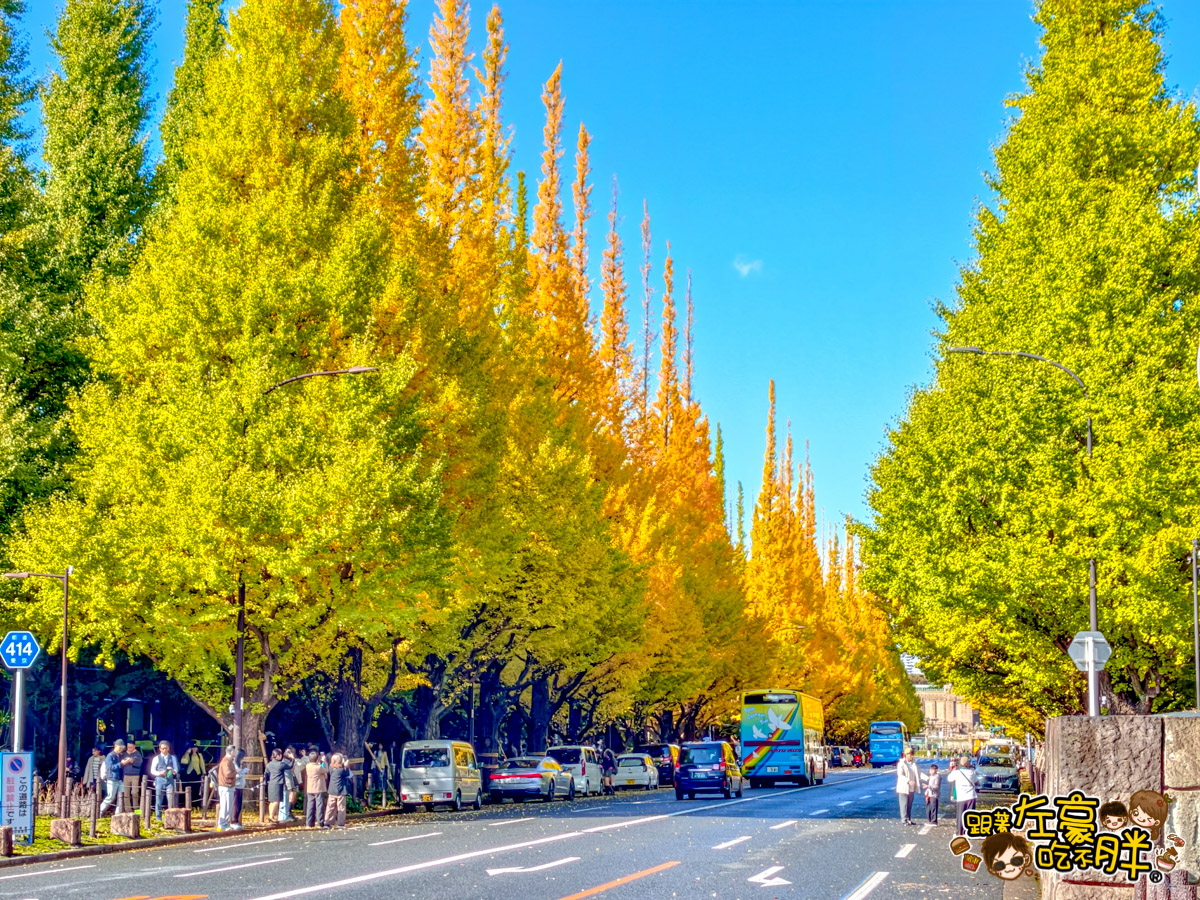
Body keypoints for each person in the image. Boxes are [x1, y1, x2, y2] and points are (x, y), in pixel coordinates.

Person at [150, 740, 181, 820]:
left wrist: (173, 771)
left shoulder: (173, 758)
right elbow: (152, 770)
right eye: (163, 748)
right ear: (160, 749)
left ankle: (170, 818)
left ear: (168, 748)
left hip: (170, 780)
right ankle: (158, 818)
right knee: (159, 799)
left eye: (166, 748)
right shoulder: (156, 758)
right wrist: (159, 773)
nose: (164, 750)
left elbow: (176, 769)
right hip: (160, 780)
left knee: (170, 799)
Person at [948, 755, 977, 836]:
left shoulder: (956, 772)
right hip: (971, 796)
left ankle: (960, 832)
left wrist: (953, 770)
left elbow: (949, 779)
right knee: (970, 815)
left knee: (961, 815)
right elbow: (975, 781)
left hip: (961, 797)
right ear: (968, 764)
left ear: (960, 763)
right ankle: (969, 832)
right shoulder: (972, 772)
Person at [98, 739, 126, 815]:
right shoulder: (110, 756)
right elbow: (110, 767)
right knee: (110, 797)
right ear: (115, 746)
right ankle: (99, 812)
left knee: (120, 797)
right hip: (112, 779)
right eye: (120, 748)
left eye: (122, 748)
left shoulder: (119, 756)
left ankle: (118, 814)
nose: (121, 749)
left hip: (120, 779)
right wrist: (121, 764)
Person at [324, 753, 353, 828]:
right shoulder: (341, 770)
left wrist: (323, 761)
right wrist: (346, 765)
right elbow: (349, 774)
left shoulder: (331, 768)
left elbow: (324, 766)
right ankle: (340, 823)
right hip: (340, 791)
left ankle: (327, 822)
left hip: (332, 790)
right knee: (341, 808)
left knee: (330, 807)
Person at [216, 745, 240, 831]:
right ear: (230, 752)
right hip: (225, 786)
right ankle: (222, 824)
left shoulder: (229, 761)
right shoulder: (226, 761)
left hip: (228, 786)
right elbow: (227, 774)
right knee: (225, 805)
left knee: (228, 805)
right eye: (234, 751)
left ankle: (225, 823)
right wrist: (236, 772)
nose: (235, 753)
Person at [895, 747, 920, 826]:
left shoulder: (913, 764)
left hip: (911, 788)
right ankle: (904, 819)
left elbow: (919, 773)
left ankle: (909, 819)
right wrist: (908, 781)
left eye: (912, 754)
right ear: (906, 755)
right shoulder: (901, 764)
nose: (912, 756)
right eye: (910, 754)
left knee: (909, 805)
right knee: (904, 804)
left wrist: (928, 778)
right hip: (903, 788)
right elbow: (900, 775)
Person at [304, 750, 328, 828]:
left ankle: (309, 823)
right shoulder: (318, 767)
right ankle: (320, 822)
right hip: (318, 788)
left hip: (310, 788)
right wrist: (324, 761)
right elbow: (325, 769)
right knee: (319, 805)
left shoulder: (308, 766)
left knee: (310, 805)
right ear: (317, 758)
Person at [265, 748, 289, 823]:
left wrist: (267, 781)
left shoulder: (269, 764)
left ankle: (270, 816)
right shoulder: (280, 764)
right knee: (276, 801)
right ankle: (271, 816)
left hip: (271, 784)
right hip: (278, 784)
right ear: (278, 756)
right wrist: (292, 758)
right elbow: (290, 766)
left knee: (271, 801)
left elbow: (266, 774)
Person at [120, 738, 144, 811]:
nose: (129, 749)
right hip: (126, 775)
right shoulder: (124, 754)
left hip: (135, 775)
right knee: (126, 793)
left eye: (130, 747)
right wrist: (124, 761)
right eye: (128, 747)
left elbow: (140, 764)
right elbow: (120, 763)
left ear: (134, 746)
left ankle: (137, 810)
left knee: (134, 792)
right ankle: (128, 810)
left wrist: (132, 761)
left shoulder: (137, 754)